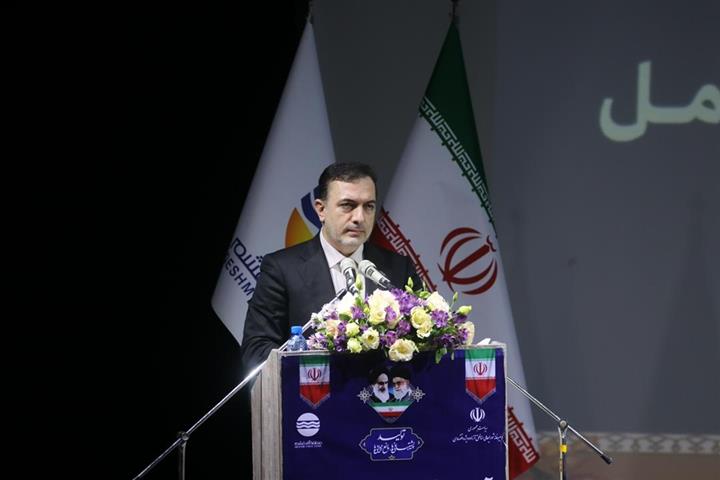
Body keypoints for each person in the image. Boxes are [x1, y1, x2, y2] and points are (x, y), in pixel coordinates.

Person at [241, 162, 422, 372]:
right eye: (348, 205)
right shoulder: (281, 269)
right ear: (321, 210)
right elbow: (257, 349)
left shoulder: (398, 268)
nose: (359, 218)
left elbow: (424, 340)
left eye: (369, 206)